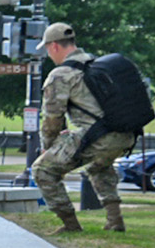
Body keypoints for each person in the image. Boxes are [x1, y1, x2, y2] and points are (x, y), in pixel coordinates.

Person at [33, 22, 133, 232]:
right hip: (125, 134)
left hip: (98, 137)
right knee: (99, 166)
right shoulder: (98, 64)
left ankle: (70, 225)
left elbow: (52, 119)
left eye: (48, 50)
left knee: (42, 170)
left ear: (54, 47)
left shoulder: (60, 74)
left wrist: (49, 146)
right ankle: (115, 221)